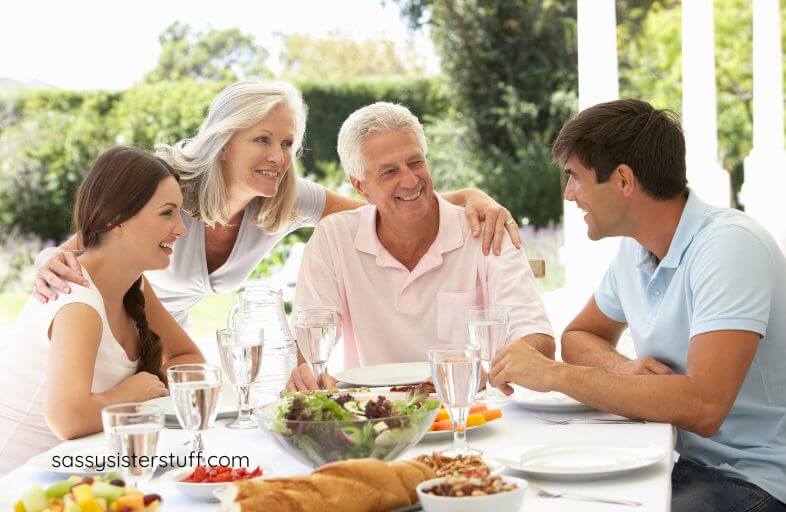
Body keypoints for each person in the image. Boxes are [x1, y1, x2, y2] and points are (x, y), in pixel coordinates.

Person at [489, 99, 786, 511]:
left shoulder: (730, 247)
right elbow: (580, 335)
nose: (568, 194)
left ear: (624, 180)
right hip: (676, 460)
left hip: (752, 479)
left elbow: (703, 406)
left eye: (575, 177)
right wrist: (624, 368)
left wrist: (554, 375)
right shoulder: (637, 251)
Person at [32, 81, 521, 330]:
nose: (277, 157)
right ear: (224, 142)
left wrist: (470, 199)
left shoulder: (286, 200)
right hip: (102, 335)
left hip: (164, 347)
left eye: (287, 143)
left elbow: (380, 205)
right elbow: (83, 246)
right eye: (262, 139)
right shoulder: (166, 185)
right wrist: (43, 259)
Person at [287, 102, 554, 391]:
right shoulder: (334, 238)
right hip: (376, 422)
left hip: (470, 413)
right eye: (389, 172)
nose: (410, 180)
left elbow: (537, 339)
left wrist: (481, 375)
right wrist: (307, 376)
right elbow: (308, 344)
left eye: (416, 163)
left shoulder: (485, 229)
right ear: (360, 186)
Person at [0, 147, 204, 476]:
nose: (181, 228)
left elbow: (189, 358)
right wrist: (134, 392)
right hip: (20, 486)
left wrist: (147, 388)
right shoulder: (77, 299)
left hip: (84, 475)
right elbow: (68, 419)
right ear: (115, 220)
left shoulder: (132, 283)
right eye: (167, 213)